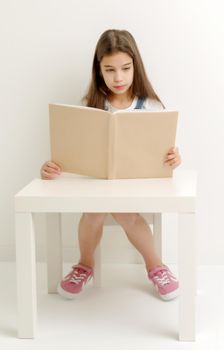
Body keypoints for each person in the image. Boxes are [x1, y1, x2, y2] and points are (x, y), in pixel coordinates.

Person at [41, 29, 181, 301]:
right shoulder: (90, 106)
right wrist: (53, 167)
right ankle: (84, 265)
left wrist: (174, 158)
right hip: (99, 186)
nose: (118, 77)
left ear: (135, 67)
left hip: (136, 188)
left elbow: (165, 156)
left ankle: (156, 266)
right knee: (93, 212)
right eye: (110, 69)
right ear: (99, 71)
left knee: (124, 212)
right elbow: (72, 154)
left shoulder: (151, 106)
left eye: (125, 68)